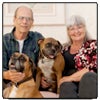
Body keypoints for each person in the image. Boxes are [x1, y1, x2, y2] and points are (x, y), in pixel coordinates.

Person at [3, 6, 44, 89]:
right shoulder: (4, 41)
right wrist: (6, 75)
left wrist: (43, 78)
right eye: (21, 18)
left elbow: (44, 63)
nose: (25, 22)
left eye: (29, 19)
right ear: (14, 20)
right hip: (8, 84)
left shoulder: (38, 38)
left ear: (32, 22)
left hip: (31, 83)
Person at [58, 15, 97, 99]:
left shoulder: (94, 45)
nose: (76, 31)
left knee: (88, 77)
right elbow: (55, 67)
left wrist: (70, 78)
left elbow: (93, 67)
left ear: (85, 28)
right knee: (65, 86)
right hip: (68, 84)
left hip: (88, 82)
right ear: (68, 32)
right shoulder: (63, 49)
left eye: (79, 27)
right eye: (72, 29)